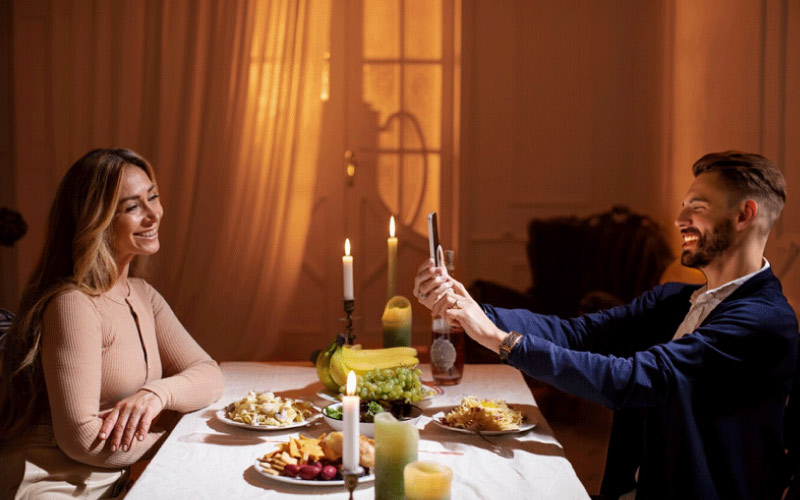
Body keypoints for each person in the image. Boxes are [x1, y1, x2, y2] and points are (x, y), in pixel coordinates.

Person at [414, 151, 798, 499]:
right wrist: (466, 308)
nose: (680, 220)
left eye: (696, 207)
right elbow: (579, 334)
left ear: (744, 214)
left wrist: (502, 341)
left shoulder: (761, 322)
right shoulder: (674, 300)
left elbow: (634, 379)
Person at [0, 149, 225, 499]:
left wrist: (156, 395)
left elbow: (208, 372)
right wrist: (177, 431)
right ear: (96, 220)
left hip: (117, 474)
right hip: (57, 483)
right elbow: (84, 440)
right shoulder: (73, 305)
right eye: (133, 207)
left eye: (153, 197)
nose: (153, 215)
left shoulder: (142, 294)